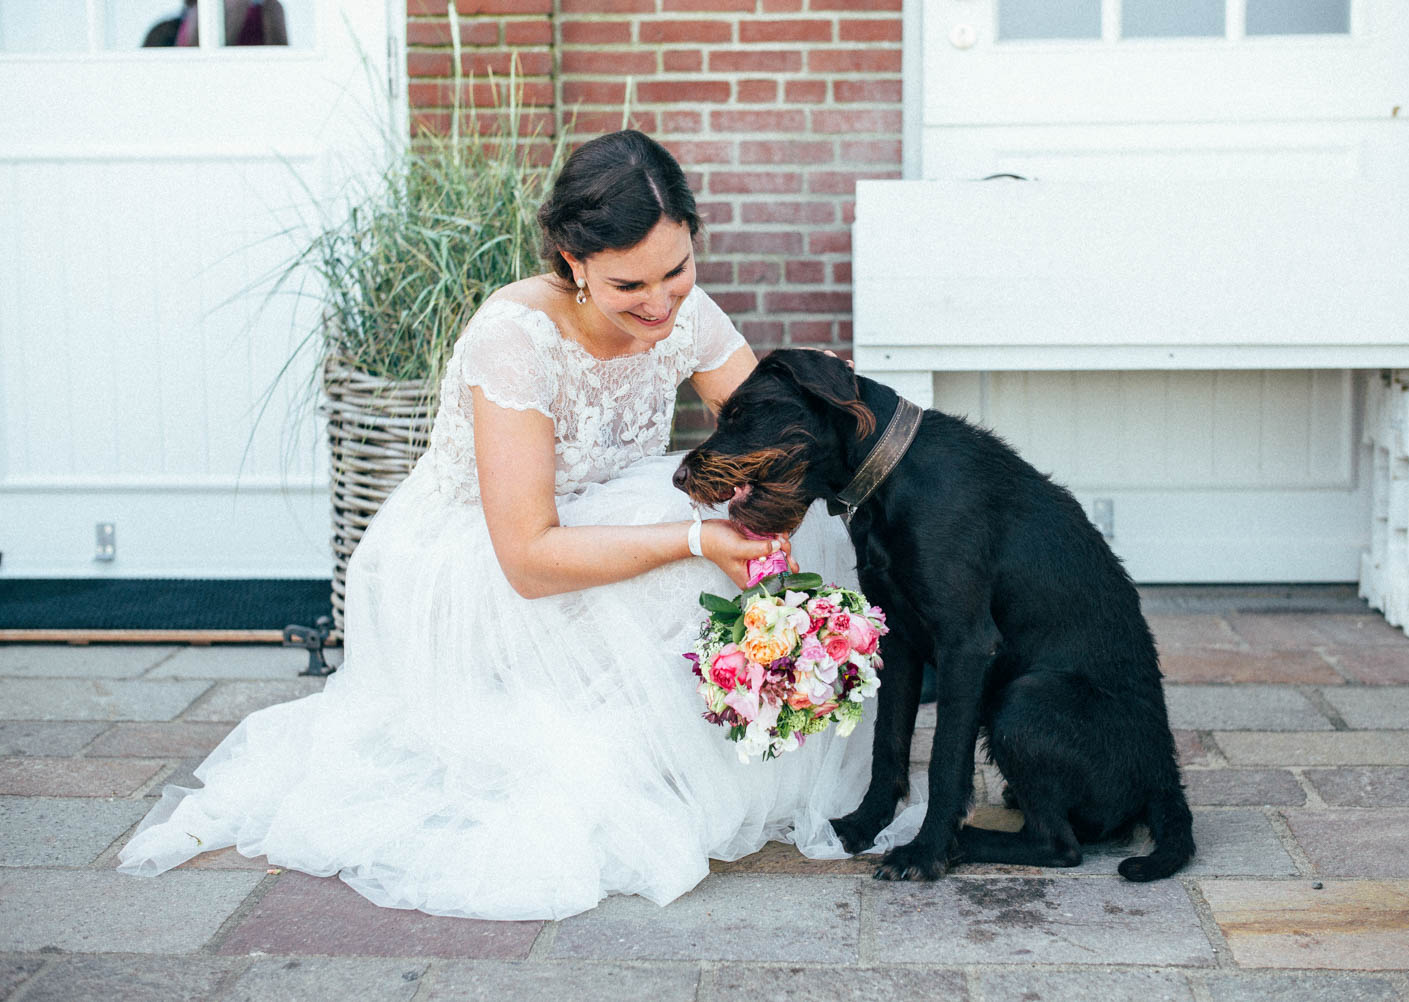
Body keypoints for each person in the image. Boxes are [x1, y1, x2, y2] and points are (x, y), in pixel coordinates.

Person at [118, 130, 923, 920]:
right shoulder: (515, 339)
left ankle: (722, 737)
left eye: (676, 272)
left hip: (604, 523)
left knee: (791, 519)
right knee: (691, 529)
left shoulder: (683, 308)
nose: (659, 303)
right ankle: (640, 755)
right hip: (486, 567)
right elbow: (530, 557)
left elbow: (776, 433)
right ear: (573, 263)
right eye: (628, 286)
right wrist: (699, 539)